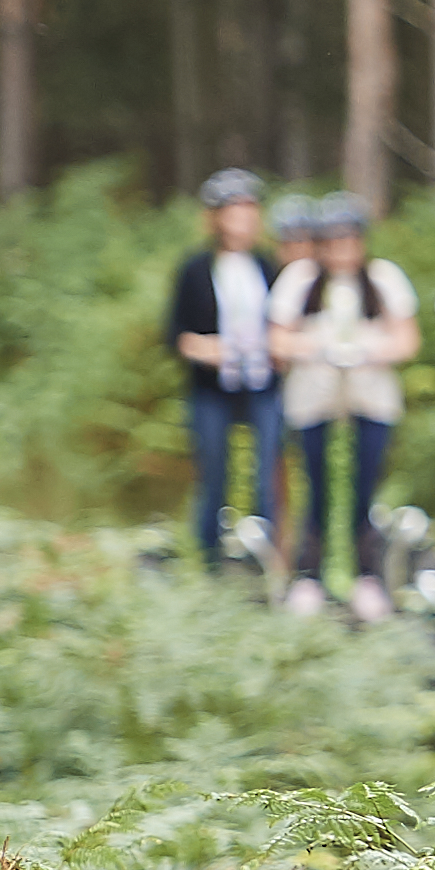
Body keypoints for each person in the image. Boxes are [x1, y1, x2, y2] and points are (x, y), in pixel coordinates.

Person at [272, 193, 421, 621]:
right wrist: (318, 348)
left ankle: (366, 576)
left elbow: (406, 339)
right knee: (316, 490)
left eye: (348, 240)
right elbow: (277, 340)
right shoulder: (301, 280)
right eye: (332, 241)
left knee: (363, 491)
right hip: (314, 402)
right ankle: (308, 576)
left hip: (369, 401)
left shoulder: (382, 279)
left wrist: (367, 352)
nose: (341, 250)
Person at [164, 167, 288, 576]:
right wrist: (207, 349)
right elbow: (175, 334)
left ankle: (263, 560)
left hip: (262, 383)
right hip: (211, 387)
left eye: (249, 211)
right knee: (212, 473)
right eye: (235, 211)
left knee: (265, 473)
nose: (244, 220)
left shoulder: (268, 266)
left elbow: (285, 324)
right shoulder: (195, 269)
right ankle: (209, 564)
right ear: (215, 217)